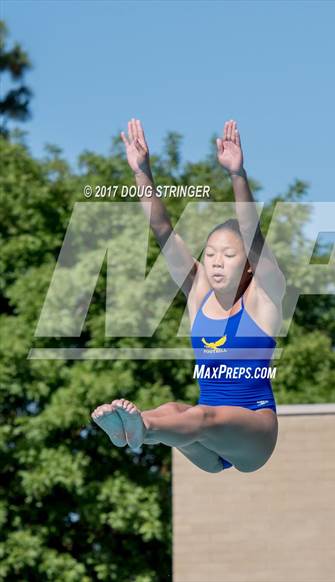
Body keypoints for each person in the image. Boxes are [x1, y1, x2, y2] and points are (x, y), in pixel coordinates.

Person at [91, 118, 286, 473]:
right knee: (173, 409)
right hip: (204, 443)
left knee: (199, 416)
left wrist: (237, 175)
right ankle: (131, 429)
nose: (215, 263)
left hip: (254, 433)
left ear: (248, 266)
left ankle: (144, 428)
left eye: (228, 256)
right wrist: (141, 172)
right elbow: (163, 229)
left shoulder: (264, 298)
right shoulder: (198, 292)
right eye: (210, 254)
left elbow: (254, 236)